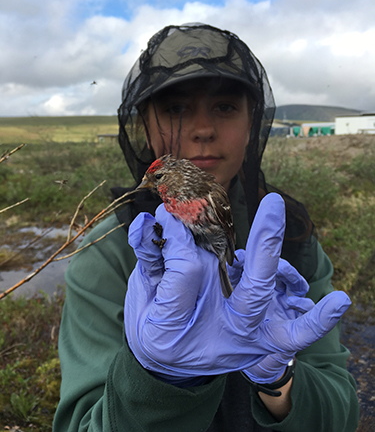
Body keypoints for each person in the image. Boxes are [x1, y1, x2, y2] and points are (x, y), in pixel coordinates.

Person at [53, 23, 359, 432]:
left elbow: (341, 416)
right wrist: (160, 379)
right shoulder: (107, 252)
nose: (202, 130)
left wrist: (278, 376)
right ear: (145, 125)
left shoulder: (293, 237)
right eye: (176, 109)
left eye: (226, 107)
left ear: (253, 124)